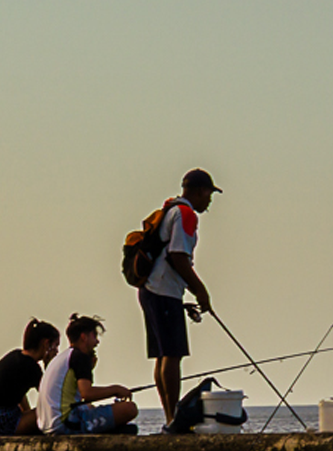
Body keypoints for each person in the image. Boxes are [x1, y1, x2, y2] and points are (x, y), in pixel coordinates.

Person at [138, 169, 218, 425]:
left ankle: (171, 417)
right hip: (162, 291)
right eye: (209, 193)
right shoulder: (185, 214)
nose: (210, 200)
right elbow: (177, 256)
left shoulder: (170, 210)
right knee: (172, 354)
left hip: (152, 290)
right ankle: (173, 418)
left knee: (163, 355)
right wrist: (201, 290)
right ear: (198, 191)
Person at [40, 314, 140, 435]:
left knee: (97, 411)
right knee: (129, 409)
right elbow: (87, 394)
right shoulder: (80, 357)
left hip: (48, 425)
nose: (97, 341)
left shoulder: (64, 357)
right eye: (94, 336)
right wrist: (116, 389)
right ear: (84, 337)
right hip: (64, 424)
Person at [0, 320, 60, 437]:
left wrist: (27, 413)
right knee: (53, 413)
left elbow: (19, 394)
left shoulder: (16, 356)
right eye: (55, 346)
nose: (56, 351)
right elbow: (51, 396)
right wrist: (49, 366)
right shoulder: (31, 367)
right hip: (2, 423)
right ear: (46, 344)